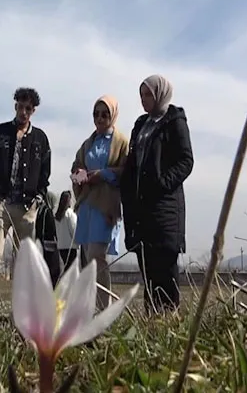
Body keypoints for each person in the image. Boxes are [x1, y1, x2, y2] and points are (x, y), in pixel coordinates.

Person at [0, 87, 52, 324]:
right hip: (2, 203)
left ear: (34, 111)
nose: (23, 112)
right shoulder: (0, 132)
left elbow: (45, 172)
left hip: (27, 207)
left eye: (28, 109)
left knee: (24, 262)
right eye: (20, 106)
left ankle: (20, 311)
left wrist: (38, 199)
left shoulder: (40, 139)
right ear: (15, 106)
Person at [121, 75, 194, 314]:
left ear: (160, 94)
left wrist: (162, 183)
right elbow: (133, 164)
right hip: (142, 210)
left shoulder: (175, 121)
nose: (143, 100)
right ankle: (152, 323)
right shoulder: (141, 124)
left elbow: (186, 161)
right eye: (141, 95)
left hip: (165, 208)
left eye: (148, 95)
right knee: (148, 268)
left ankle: (170, 322)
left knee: (165, 266)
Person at [71, 95, 129, 310]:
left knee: (98, 256)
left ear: (113, 115)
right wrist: (79, 175)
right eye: (96, 114)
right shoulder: (88, 143)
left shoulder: (121, 142)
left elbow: (126, 171)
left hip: (106, 205)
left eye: (105, 114)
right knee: (88, 259)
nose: (100, 118)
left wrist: (103, 174)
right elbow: (76, 165)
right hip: (87, 204)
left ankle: (104, 308)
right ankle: (90, 307)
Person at [54, 191, 78, 272]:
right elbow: (74, 230)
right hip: (70, 247)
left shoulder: (57, 215)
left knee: (66, 268)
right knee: (71, 270)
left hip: (61, 246)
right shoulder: (70, 214)